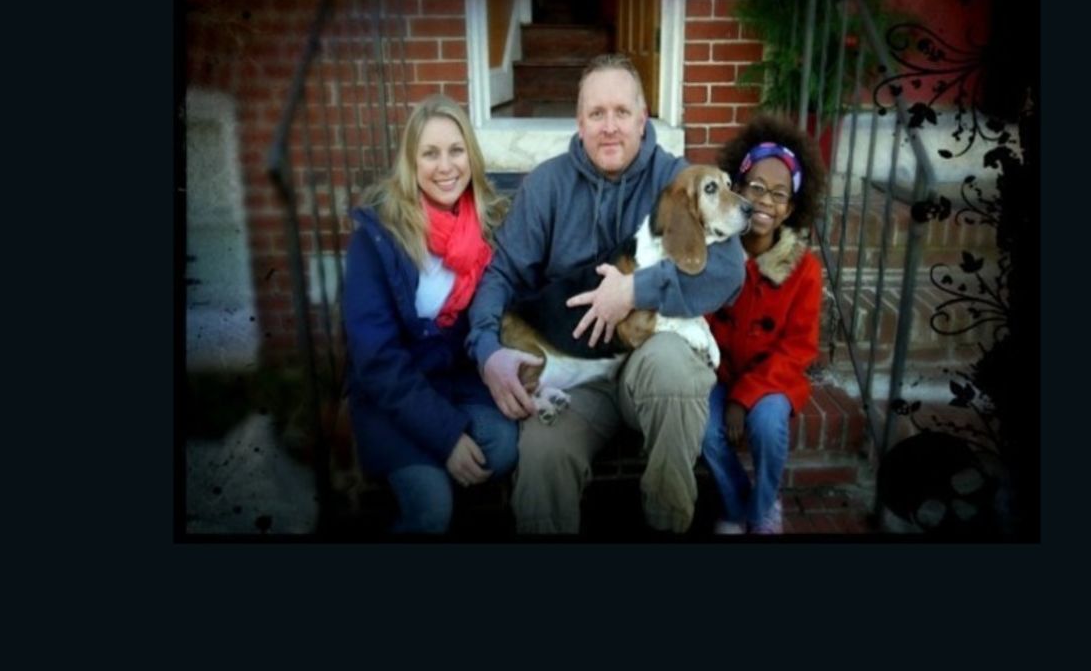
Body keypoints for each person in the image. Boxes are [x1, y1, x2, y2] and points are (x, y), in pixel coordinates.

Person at [466, 53, 746, 535]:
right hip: (575, 372)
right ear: (579, 123)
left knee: (675, 369)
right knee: (544, 453)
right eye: (597, 113)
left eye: (621, 112)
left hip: (648, 363)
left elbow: (728, 271)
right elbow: (501, 274)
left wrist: (635, 290)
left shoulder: (678, 179)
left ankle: (668, 524)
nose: (610, 127)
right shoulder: (547, 185)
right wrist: (487, 349)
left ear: (643, 118)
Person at [342, 94, 517, 534]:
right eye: (430, 153)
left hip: (457, 384)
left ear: (471, 156)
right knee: (431, 509)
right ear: (411, 162)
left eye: (456, 151)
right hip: (393, 397)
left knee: (502, 449)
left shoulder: (489, 224)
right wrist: (445, 436)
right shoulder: (377, 238)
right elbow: (376, 359)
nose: (445, 167)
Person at [701, 115, 828, 534]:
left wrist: (743, 398)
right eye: (756, 187)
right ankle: (737, 506)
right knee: (705, 429)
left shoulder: (805, 270)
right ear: (737, 189)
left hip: (772, 379)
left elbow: (797, 350)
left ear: (790, 208)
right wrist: (721, 388)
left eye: (778, 194)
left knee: (769, 424)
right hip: (717, 374)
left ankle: (764, 506)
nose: (765, 202)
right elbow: (698, 320)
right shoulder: (715, 252)